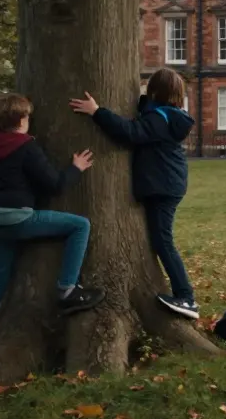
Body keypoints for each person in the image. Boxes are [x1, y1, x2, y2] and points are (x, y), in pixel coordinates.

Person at [0, 93, 102, 354]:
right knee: (80, 225)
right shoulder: (25, 146)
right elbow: (54, 184)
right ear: (20, 120)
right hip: (16, 217)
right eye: (27, 117)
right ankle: (67, 289)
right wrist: (76, 168)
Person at [70, 69, 198, 319]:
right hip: (167, 183)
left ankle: (187, 297)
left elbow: (130, 133)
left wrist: (97, 111)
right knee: (161, 239)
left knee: (163, 241)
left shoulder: (159, 119)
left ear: (154, 92)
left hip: (164, 186)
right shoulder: (167, 115)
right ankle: (185, 296)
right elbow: (144, 121)